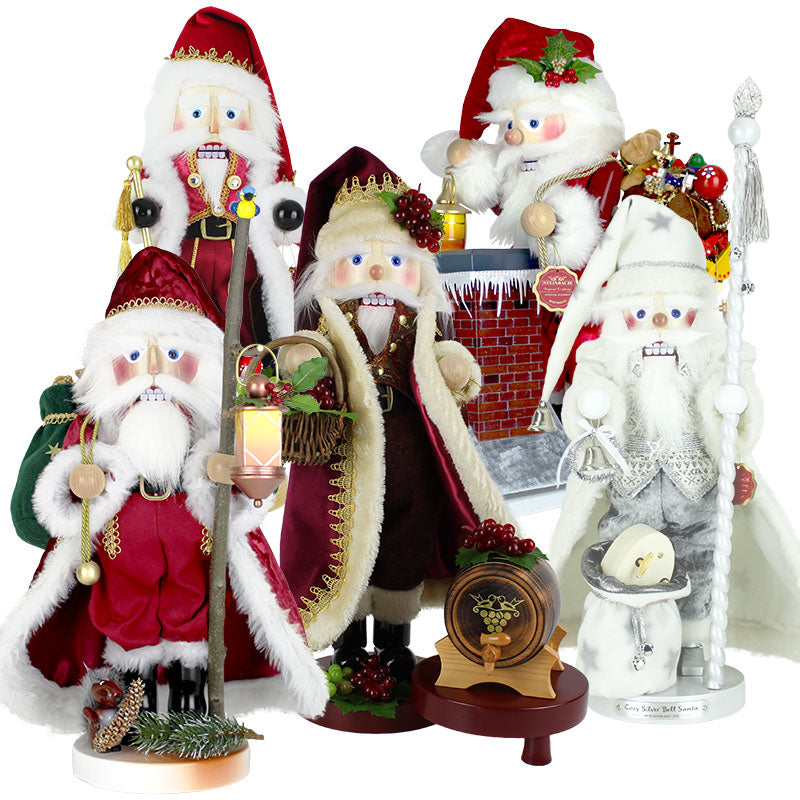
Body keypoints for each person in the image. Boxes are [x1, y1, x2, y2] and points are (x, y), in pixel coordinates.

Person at [0, 248, 327, 732]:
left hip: (192, 549)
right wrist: (79, 478)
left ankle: (190, 701)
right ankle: (134, 703)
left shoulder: (216, 424)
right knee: (125, 615)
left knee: (190, 613)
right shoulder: (95, 430)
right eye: (134, 357)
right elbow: (59, 492)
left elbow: (253, 496)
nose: (153, 370)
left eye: (173, 355)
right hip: (121, 555)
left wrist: (220, 469)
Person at [279, 147, 515, 679]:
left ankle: (394, 640)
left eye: (393, 261)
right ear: (330, 270)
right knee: (339, 539)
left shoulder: (421, 319)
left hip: (410, 445)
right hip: (342, 450)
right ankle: (345, 640)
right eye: (357, 261)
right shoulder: (328, 321)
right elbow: (305, 351)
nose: (376, 272)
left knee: (406, 538)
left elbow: (442, 357)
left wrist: (453, 368)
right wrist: (298, 359)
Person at [127, 7, 303, 344]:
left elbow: (272, 194)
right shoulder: (171, 161)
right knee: (185, 322)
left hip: (242, 257)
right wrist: (148, 207)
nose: (213, 127)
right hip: (186, 256)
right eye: (196, 112)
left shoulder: (256, 162)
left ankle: (253, 366)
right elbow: (162, 193)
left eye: (230, 113)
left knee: (246, 321)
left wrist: (284, 210)